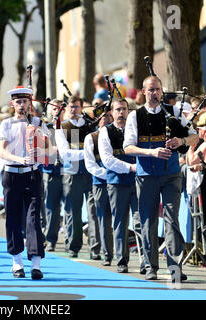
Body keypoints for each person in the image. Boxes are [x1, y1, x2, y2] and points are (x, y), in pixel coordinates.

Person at [123, 75, 198, 282]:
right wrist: (151, 153)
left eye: (157, 89)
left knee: (172, 219)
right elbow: (128, 147)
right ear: (143, 91)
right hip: (146, 175)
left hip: (171, 174)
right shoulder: (134, 116)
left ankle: (175, 267)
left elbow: (195, 136)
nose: (154, 93)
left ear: (161, 91)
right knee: (147, 221)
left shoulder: (173, 112)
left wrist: (181, 140)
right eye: (151, 89)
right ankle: (150, 266)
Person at [0, 86, 49, 280]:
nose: (21, 105)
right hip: (12, 174)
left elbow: (48, 148)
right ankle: (17, 262)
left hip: (32, 175)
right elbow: (1, 151)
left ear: (29, 103)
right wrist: (19, 159)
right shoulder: (6, 124)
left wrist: (40, 143)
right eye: (18, 102)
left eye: (25, 101)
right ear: (12, 104)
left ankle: (36, 264)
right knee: (12, 219)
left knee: (33, 219)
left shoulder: (37, 122)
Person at [98, 99, 145, 274]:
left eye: (124, 109)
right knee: (120, 223)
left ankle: (145, 261)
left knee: (141, 222)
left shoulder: (136, 130)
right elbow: (107, 160)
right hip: (117, 183)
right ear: (111, 112)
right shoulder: (106, 132)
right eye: (118, 110)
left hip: (138, 181)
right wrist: (130, 168)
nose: (121, 113)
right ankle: (122, 260)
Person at [55, 95, 98, 259]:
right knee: (73, 211)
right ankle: (73, 246)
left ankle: (95, 248)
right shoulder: (62, 127)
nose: (73, 110)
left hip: (90, 172)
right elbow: (65, 153)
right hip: (71, 173)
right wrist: (87, 154)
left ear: (81, 108)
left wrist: (86, 156)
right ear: (66, 109)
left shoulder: (90, 125)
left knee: (93, 212)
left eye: (76, 107)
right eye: (71, 107)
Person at [83, 108, 114, 265]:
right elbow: (90, 164)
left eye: (109, 115)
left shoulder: (118, 134)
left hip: (119, 183)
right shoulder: (91, 137)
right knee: (101, 218)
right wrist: (109, 175)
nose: (107, 119)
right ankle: (103, 252)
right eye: (104, 116)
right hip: (100, 183)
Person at [41, 99, 65, 252]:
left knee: (70, 208)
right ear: (50, 111)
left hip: (69, 171)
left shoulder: (70, 127)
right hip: (51, 172)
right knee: (51, 207)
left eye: (60, 108)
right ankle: (50, 239)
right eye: (54, 109)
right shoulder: (45, 129)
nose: (57, 111)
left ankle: (71, 240)